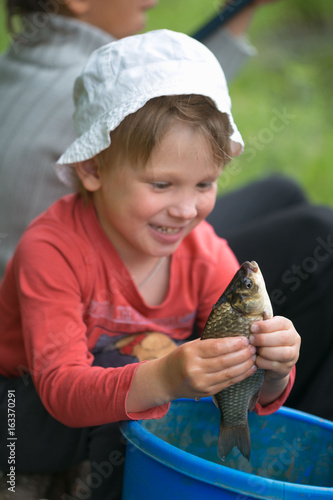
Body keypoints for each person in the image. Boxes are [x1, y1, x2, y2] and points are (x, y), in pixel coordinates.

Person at [0, 30, 300, 500]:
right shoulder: (52, 249)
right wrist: (165, 377)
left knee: (163, 374)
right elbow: (60, 388)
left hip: (117, 411)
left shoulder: (201, 251)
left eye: (204, 184)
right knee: (144, 368)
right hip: (25, 416)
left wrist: (275, 368)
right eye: (162, 185)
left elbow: (244, 382)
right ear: (94, 169)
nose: (185, 209)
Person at [0, 0, 269, 280]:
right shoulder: (90, 95)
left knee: (279, 192)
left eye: (205, 184)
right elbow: (185, 118)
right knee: (311, 227)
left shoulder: (18, 65)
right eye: (162, 184)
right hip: (92, 268)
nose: (153, 1)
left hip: (133, 218)